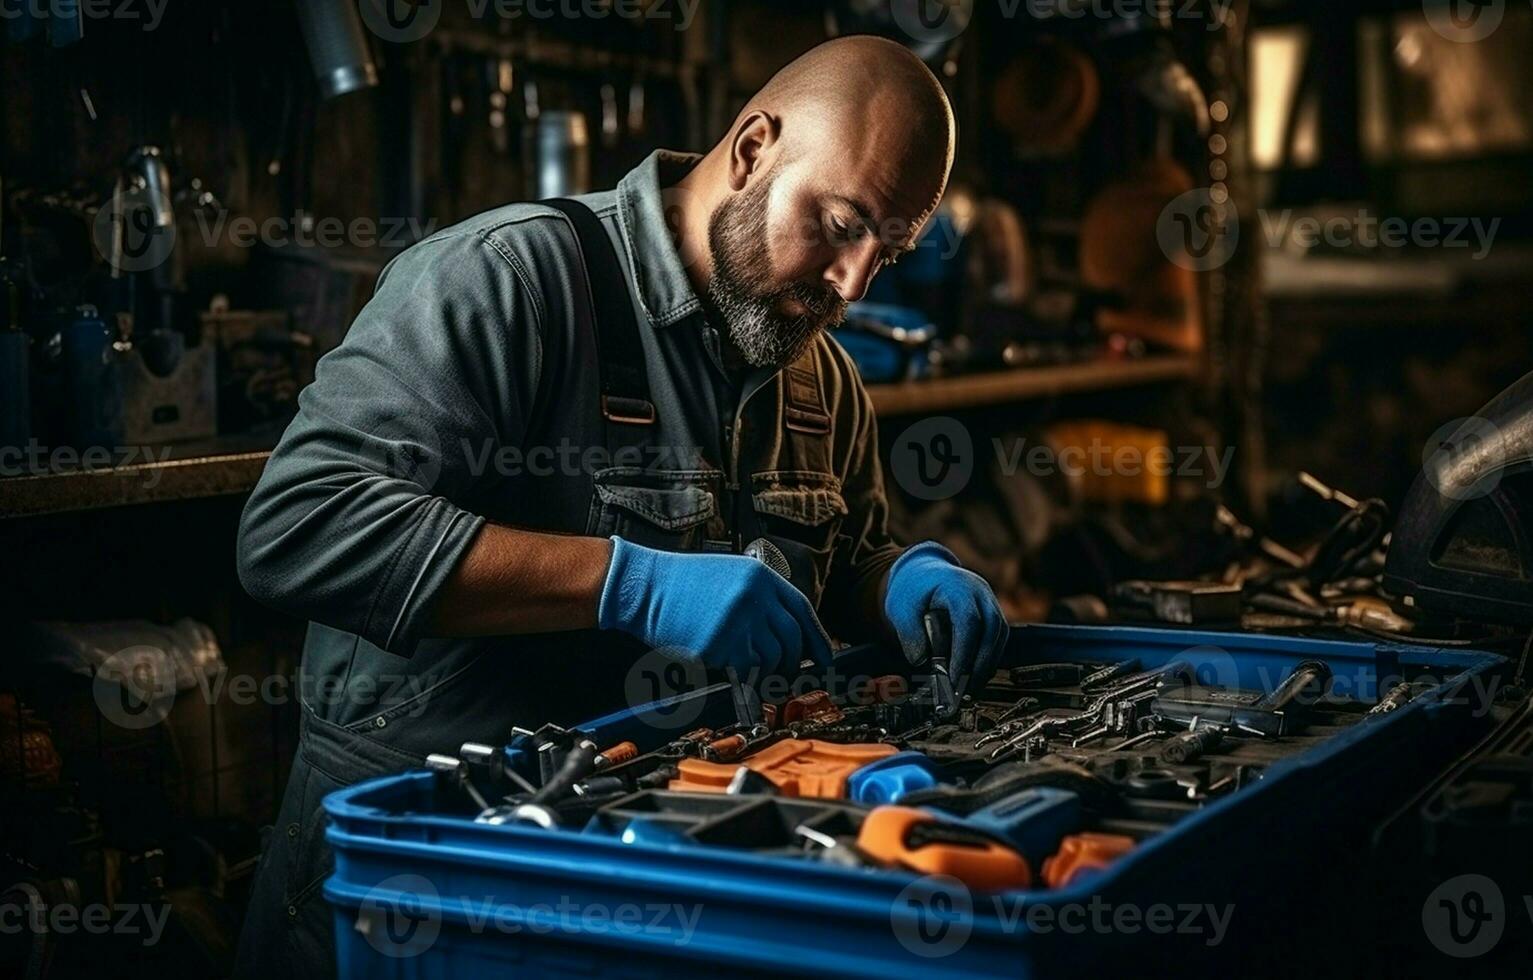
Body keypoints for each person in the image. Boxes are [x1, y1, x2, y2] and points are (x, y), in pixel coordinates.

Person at [233, 35, 1009, 976]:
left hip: (660, 878)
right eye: (841, 225)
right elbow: (298, 527)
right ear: (754, 148)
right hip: (427, 882)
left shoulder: (822, 377)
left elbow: (836, 559)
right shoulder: (509, 283)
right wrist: (623, 583)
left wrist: (895, 581)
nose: (851, 284)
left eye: (885, 252)